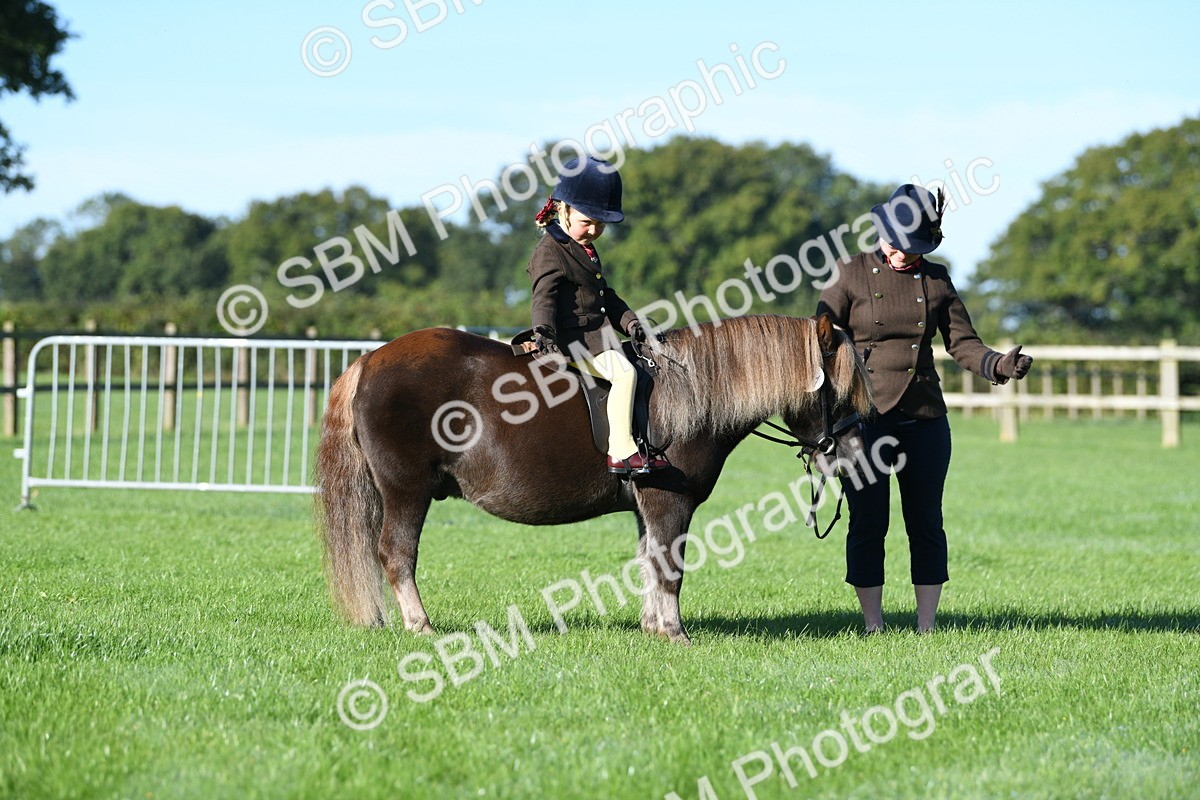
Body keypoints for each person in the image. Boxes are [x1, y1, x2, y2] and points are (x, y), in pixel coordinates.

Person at [816, 183, 1032, 633]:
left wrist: (999, 365)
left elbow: (963, 343)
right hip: (863, 421)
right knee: (868, 523)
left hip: (925, 419)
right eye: (896, 245)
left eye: (912, 249)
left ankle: (926, 625)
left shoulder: (936, 280)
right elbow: (819, 340)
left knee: (926, 523)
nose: (902, 255)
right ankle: (873, 624)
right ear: (882, 233)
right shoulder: (848, 274)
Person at [527, 155, 666, 475]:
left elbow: (605, 297)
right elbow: (543, 297)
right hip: (574, 341)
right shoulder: (550, 251)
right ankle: (621, 450)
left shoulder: (581, 246)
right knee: (624, 374)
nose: (593, 230)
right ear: (562, 209)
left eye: (600, 226)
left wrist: (632, 323)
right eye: (587, 222)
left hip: (597, 337)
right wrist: (544, 335)